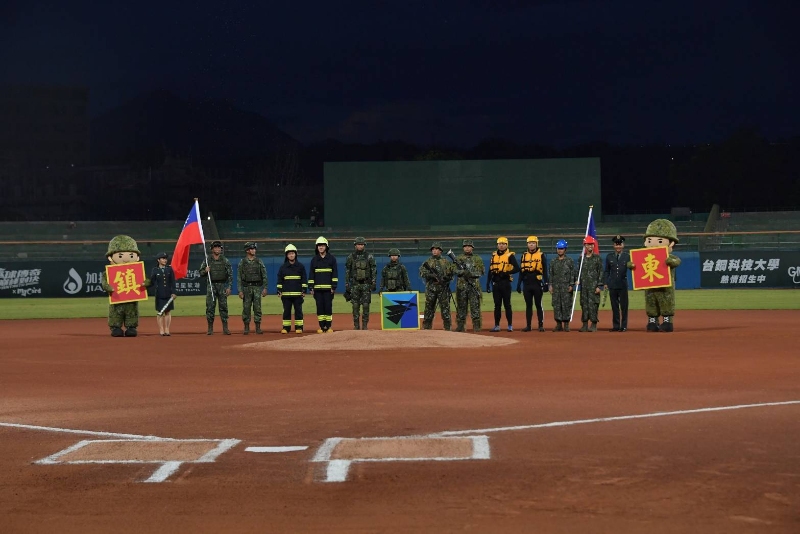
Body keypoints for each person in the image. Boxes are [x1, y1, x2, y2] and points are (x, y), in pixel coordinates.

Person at [630, 219, 681, 332]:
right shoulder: (643, 257)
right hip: (650, 287)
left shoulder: (669, 256)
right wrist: (632, 265)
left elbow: (676, 261)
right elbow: (636, 265)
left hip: (665, 288)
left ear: (671, 243)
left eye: (659, 241)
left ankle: (667, 322)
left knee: (666, 303)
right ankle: (652, 321)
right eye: (649, 240)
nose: (653, 244)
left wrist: (670, 262)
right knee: (651, 303)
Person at [101, 235, 144, 337]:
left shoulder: (136, 271)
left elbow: (144, 281)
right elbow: (104, 283)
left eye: (131, 255)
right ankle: (116, 327)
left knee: (132, 312)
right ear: (110, 257)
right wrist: (108, 287)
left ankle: (131, 327)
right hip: (117, 299)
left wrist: (145, 283)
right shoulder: (109, 272)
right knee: (115, 313)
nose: (125, 259)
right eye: (120, 256)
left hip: (131, 300)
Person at [418, 242, 455, 330]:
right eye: (433, 249)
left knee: (445, 308)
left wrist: (447, 278)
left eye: (437, 249)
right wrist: (431, 276)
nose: (434, 251)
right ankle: (427, 327)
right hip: (431, 288)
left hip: (443, 289)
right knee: (429, 308)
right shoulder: (427, 262)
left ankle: (447, 327)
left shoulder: (446, 262)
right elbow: (422, 272)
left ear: (440, 251)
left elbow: (451, 274)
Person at [487, 237, 520, 332]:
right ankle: (497, 325)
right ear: (497, 245)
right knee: (497, 305)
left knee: (507, 305)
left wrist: (506, 272)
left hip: (505, 283)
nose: (501, 245)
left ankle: (510, 325)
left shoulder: (510, 256)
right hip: (496, 283)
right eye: (499, 244)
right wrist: (488, 283)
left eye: (503, 244)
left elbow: (517, 268)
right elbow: (490, 270)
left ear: (506, 245)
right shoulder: (493, 255)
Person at [200, 240, 232, 335]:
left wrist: (229, 287)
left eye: (219, 247)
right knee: (210, 307)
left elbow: (230, 275)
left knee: (223, 307)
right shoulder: (207, 260)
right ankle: (210, 328)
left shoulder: (225, 260)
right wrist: (205, 271)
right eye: (215, 247)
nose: (217, 249)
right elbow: (200, 273)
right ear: (212, 249)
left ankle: (225, 328)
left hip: (222, 285)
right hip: (211, 285)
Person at [516, 236, 548, 332]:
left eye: (533, 243)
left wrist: (546, 283)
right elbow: (521, 272)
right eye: (529, 243)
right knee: (528, 305)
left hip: (537, 282)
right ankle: (528, 325)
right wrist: (518, 284)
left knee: (538, 304)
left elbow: (545, 270)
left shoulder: (541, 255)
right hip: (527, 283)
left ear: (536, 244)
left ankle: (540, 325)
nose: (531, 244)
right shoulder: (524, 255)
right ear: (527, 244)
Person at [345, 236, 377, 330]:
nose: (360, 246)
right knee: (355, 305)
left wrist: (373, 282)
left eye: (361, 244)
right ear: (355, 246)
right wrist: (347, 284)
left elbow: (373, 270)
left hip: (366, 284)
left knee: (366, 305)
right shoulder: (351, 257)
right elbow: (347, 271)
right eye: (358, 244)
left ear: (364, 245)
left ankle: (365, 326)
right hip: (355, 285)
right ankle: (356, 326)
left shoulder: (369, 257)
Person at [309, 236, 338, 333]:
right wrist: (311, 287)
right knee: (320, 308)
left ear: (326, 247)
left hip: (328, 289)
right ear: (317, 248)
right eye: (319, 246)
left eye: (322, 246)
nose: (321, 247)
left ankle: (328, 326)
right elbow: (311, 274)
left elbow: (334, 273)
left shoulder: (332, 259)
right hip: (317, 289)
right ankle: (322, 327)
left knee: (328, 307)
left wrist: (333, 286)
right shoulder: (314, 260)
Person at [454, 239, 484, 333]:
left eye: (469, 246)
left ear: (472, 248)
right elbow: (453, 270)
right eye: (465, 246)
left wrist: (470, 274)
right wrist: (462, 272)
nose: (467, 248)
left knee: (475, 307)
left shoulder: (477, 258)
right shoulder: (458, 259)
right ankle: (460, 326)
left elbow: (481, 271)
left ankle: (477, 326)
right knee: (461, 307)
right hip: (461, 287)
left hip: (473, 286)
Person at [237, 241, 267, 335]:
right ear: (247, 250)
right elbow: (239, 277)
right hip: (247, 288)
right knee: (246, 308)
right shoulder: (243, 262)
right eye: (252, 249)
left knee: (257, 308)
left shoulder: (259, 261)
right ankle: (246, 327)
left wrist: (265, 287)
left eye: (254, 249)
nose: (254, 250)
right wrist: (240, 290)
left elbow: (264, 275)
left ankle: (258, 327)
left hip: (257, 287)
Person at [277, 244, 307, 334]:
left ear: (295, 254)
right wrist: (279, 290)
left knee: (298, 311)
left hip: (298, 294)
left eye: (293, 253)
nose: (291, 255)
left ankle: (299, 327)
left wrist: (304, 289)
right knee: (286, 311)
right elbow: (280, 279)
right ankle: (286, 328)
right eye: (289, 253)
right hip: (286, 295)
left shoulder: (300, 266)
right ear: (287, 255)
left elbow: (304, 279)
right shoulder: (283, 267)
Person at [548, 239, 575, 332]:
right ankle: (558, 324)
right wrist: (550, 285)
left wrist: (571, 285)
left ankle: (566, 324)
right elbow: (551, 274)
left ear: (565, 249)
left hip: (566, 287)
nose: (560, 250)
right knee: (556, 305)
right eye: (558, 248)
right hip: (556, 287)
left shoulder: (569, 261)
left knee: (566, 305)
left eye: (562, 249)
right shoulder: (553, 261)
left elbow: (572, 274)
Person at [578, 236, 604, 332]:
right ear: (584, 246)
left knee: (593, 305)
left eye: (592, 244)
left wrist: (599, 285)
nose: (590, 246)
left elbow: (601, 272)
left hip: (594, 286)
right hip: (584, 286)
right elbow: (579, 272)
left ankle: (593, 324)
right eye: (588, 244)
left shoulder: (597, 258)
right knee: (584, 304)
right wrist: (578, 280)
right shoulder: (581, 259)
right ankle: (584, 324)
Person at [604, 235, 630, 332]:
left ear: (623, 245)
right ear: (613, 245)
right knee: (614, 307)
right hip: (613, 285)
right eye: (616, 244)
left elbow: (634, 268)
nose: (618, 246)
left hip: (623, 284)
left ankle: (623, 326)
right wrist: (606, 282)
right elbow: (607, 271)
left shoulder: (627, 256)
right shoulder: (609, 256)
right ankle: (616, 325)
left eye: (620, 244)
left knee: (624, 306)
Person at [149, 252, 177, 336]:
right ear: (158, 260)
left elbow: (173, 281)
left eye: (165, 258)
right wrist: (144, 285)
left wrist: (174, 292)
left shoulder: (169, 269)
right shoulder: (155, 270)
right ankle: (161, 329)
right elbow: (152, 282)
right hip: (159, 294)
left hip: (168, 294)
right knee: (160, 312)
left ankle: (167, 329)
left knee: (168, 312)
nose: (165, 260)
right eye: (163, 258)